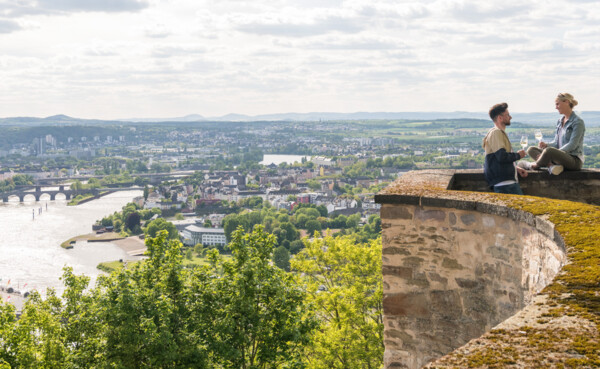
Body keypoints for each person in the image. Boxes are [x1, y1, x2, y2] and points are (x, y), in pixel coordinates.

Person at [523, 92, 585, 175]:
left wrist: (553, 153)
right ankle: (551, 166)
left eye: (557, 104)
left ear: (566, 102)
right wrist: (546, 145)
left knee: (549, 151)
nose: (556, 107)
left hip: (574, 160)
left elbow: (572, 145)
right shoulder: (560, 121)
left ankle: (534, 165)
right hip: (558, 158)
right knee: (531, 149)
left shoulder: (578, 122)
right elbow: (556, 142)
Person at [483, 102, 527, 195]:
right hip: (505, 184)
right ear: (500, 118)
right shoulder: (496, 133)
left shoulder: (498, 133)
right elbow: (501, 157)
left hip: (506, 183)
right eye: (507, 115)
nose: (510, 117)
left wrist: (516, 168)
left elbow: (498, 158)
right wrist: (518, 155)